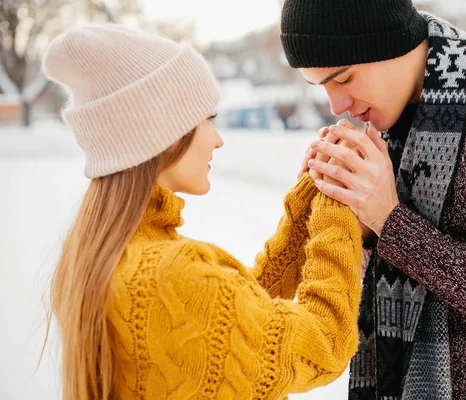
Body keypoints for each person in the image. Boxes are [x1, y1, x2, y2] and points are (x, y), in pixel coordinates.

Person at [280, 0, 466, 399]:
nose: (337, 106)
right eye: (321, 86)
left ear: (388, 43)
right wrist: (350, 228)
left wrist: (390, 222)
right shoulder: (379, 130)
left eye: (344, 78)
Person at [42, 24, 364, 400]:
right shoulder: (170, 271)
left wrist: (303, 210)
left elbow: (233, 326)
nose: (217, 138)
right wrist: (335, 199)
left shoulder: (104, 253)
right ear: (164, 132)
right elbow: (323, 344)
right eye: (207, 119)